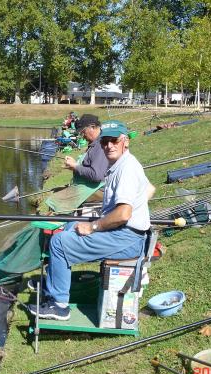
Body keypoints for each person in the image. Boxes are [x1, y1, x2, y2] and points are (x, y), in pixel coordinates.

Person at [29, 121, 155, 320]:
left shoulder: (126, 169)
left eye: (114, 141)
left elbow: (123, 214)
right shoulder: (124, 163)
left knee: (60, 243)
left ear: (126, 142)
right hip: (126, 233)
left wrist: (94, 226)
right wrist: (134, 207)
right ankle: (54, 281)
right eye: (105, 141)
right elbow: (149, 189)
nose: (109, 146)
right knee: (69, 227)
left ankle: (59, 305)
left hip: (127, 239)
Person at [63, 113, 108, 183]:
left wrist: (75, 167)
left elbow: (97, 175)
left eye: (83, 132)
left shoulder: (100, 145)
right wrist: (75, 164)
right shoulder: (94, 143)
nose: (83, 136)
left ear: (92, 127)